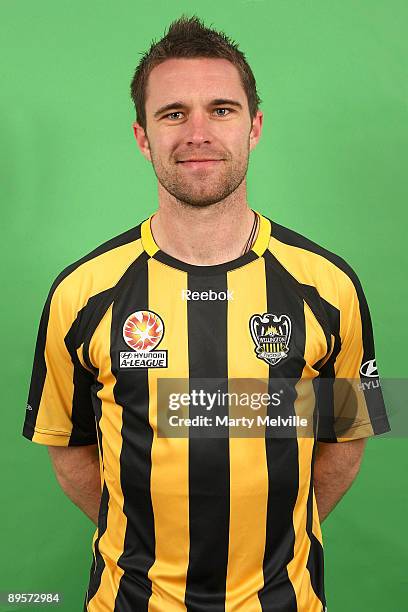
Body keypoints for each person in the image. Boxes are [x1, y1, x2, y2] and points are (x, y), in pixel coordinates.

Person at [22, 14, 390, 612]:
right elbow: (66, 444)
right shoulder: (81, 293)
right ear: (143, 136)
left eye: (221, 110)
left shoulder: (331, 285)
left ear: (254, 127)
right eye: (173, 113)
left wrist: (275, 540)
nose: (198, 132)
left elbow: (348, 436)